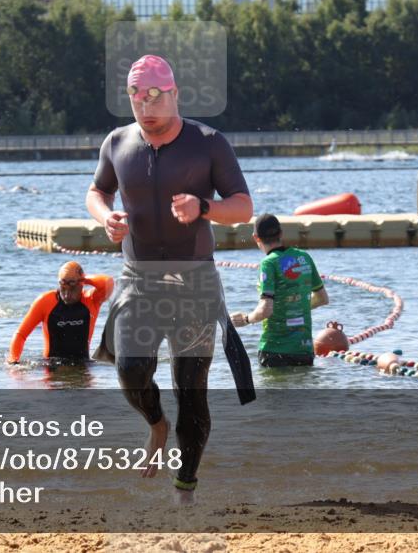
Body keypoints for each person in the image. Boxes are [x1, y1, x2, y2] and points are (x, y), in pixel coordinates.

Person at [86, 54, 254, 504]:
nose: (147, 106)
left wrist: (204, 207)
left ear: (175, 94)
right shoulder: (117, 143)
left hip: (194, 283)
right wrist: (105, 217)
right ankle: (156, 425)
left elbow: (243, 207)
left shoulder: (208, 143)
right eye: (137, 97)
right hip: (138, 280)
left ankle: (185, 489)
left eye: (156, 96)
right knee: (130, 369)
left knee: (191, 391)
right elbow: (97, 190)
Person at [230, 214, 329, 367]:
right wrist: (295, 307)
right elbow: (322, 298)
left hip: (275, 351)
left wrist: (246, 319)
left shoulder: (269, 263)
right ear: (281, 233)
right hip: (304, 350)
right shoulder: (304, 257)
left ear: (256, 237)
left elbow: (265, 309)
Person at [7, 261, 113, 363]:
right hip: (50, 367)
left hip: (82, 366)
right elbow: (21, 334)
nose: (67, 295)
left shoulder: (91, 300)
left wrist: (84, 278)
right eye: (63, 288)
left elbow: (108, 282)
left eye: (72, 288)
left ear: (81, 284)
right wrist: (13, 361)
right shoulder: (45, 302)